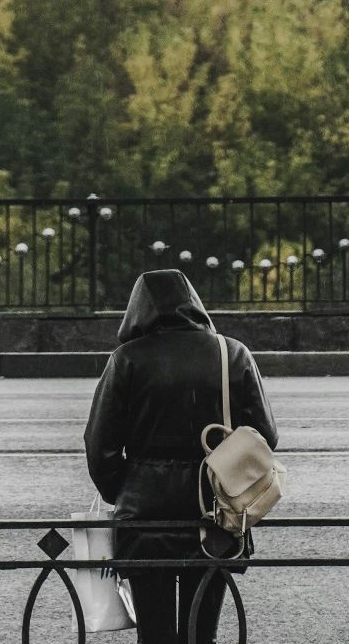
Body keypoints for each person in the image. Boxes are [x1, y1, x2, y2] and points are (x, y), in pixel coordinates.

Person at [84, 269, 279, 644]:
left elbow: (100, 443)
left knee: (154, 634)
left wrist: (124, 489)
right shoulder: (231, 353)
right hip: (215, 509)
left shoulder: (126, 359)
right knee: (201, 632)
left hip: (145, 514)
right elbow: (265, 436)